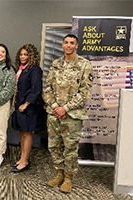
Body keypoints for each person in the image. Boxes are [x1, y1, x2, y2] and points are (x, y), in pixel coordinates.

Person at [43, 34, 93, 193]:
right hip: (54, 114)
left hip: (72, 116)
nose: (68, 45)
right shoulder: (55, 64)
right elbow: (47, 89)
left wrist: (65, 108)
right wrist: (56, 106)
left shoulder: (85, 65)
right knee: (54, 146)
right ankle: (59, 173)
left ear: (76, 46)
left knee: (70, 148)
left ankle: (69, 178)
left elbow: (85, 93)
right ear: (62, 45)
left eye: (72, 43)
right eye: (66, 43)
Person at [11, 44, 46, 173]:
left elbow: (36, 90)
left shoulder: (35, 69)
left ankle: (25, 161)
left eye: (26, 54)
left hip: (29, 107)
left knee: (27, 133)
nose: (23, 57)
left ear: (32, 56)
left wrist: (26, 104)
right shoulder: (21, 69)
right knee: (22, 132)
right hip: (19, 105)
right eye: (21, 54)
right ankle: (21, 158)